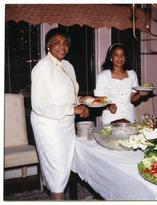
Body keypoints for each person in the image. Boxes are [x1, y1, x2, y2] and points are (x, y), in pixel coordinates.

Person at [30, 28, 89, 200]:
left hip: (65, 124)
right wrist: (72, 109)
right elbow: (40, 104)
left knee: (64, 167)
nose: (62, 47)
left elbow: (66, 97)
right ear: (48, 46)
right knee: (56, 171)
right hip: (48, 125)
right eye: (57, 43)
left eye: (65, 43)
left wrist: (81, 100)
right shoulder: (42, 67)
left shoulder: (68, 66)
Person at [94, 43, 149, 125]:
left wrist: (140, 94)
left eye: (122, 55)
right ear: (111, 57)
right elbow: (98, 99)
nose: (120, 58)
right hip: (110, 118)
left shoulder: (132, 74)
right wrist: (108, 105)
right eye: (116, 55)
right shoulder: (103, 76)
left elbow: (132, 99)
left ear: (125, 57)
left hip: (129, 117)